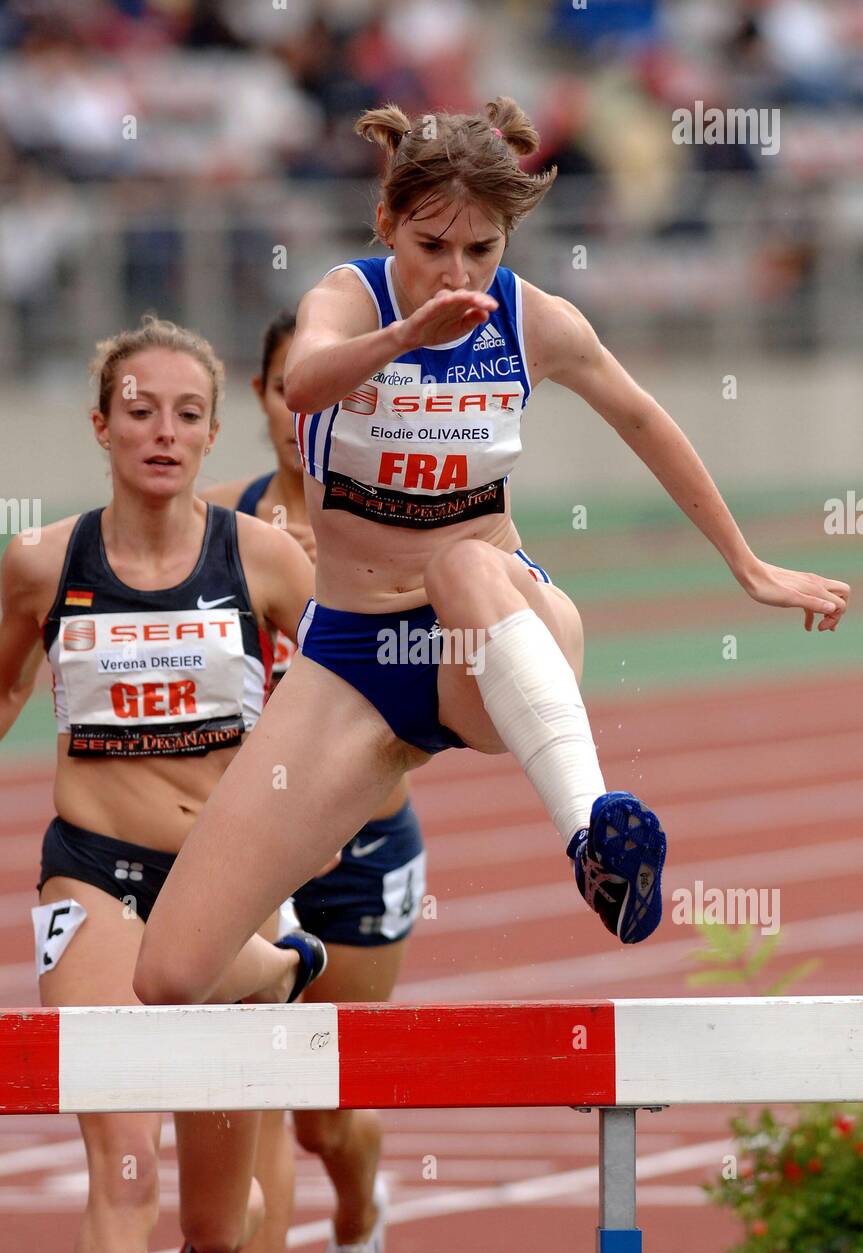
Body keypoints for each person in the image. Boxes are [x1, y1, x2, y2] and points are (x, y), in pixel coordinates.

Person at [135, 95, 849, 1107]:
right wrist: (408, 334)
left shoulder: (532, 318)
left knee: (459, 563)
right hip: (355, 661)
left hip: (495, 633)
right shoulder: (350, 298)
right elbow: (303, 383)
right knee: (168, 974)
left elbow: (642, 418)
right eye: (433, 245)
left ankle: (593, 834)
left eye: (482, 248)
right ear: (387, 226)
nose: (458, 273)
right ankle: (289, 966)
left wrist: (746, 564)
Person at [0, 317, 328, 1253]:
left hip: (222, 886)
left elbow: (348, 705)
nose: (163, 432)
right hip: (92, 873)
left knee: (216, 1223)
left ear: (212, 435)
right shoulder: (40, 564)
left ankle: (221, 1244)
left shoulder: (266, 562)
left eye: (187, 415)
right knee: (122, 1167)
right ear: (101, 425)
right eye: (140, 411)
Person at [200, 309, 423, 1253]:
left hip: (363, 844)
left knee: (323, 1110)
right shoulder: (213, 522)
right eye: (292, 384)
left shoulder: (392, 522)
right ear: (263, 397)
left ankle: (359, 1217)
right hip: (250, 846)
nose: (309, 405)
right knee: (264, 1079)